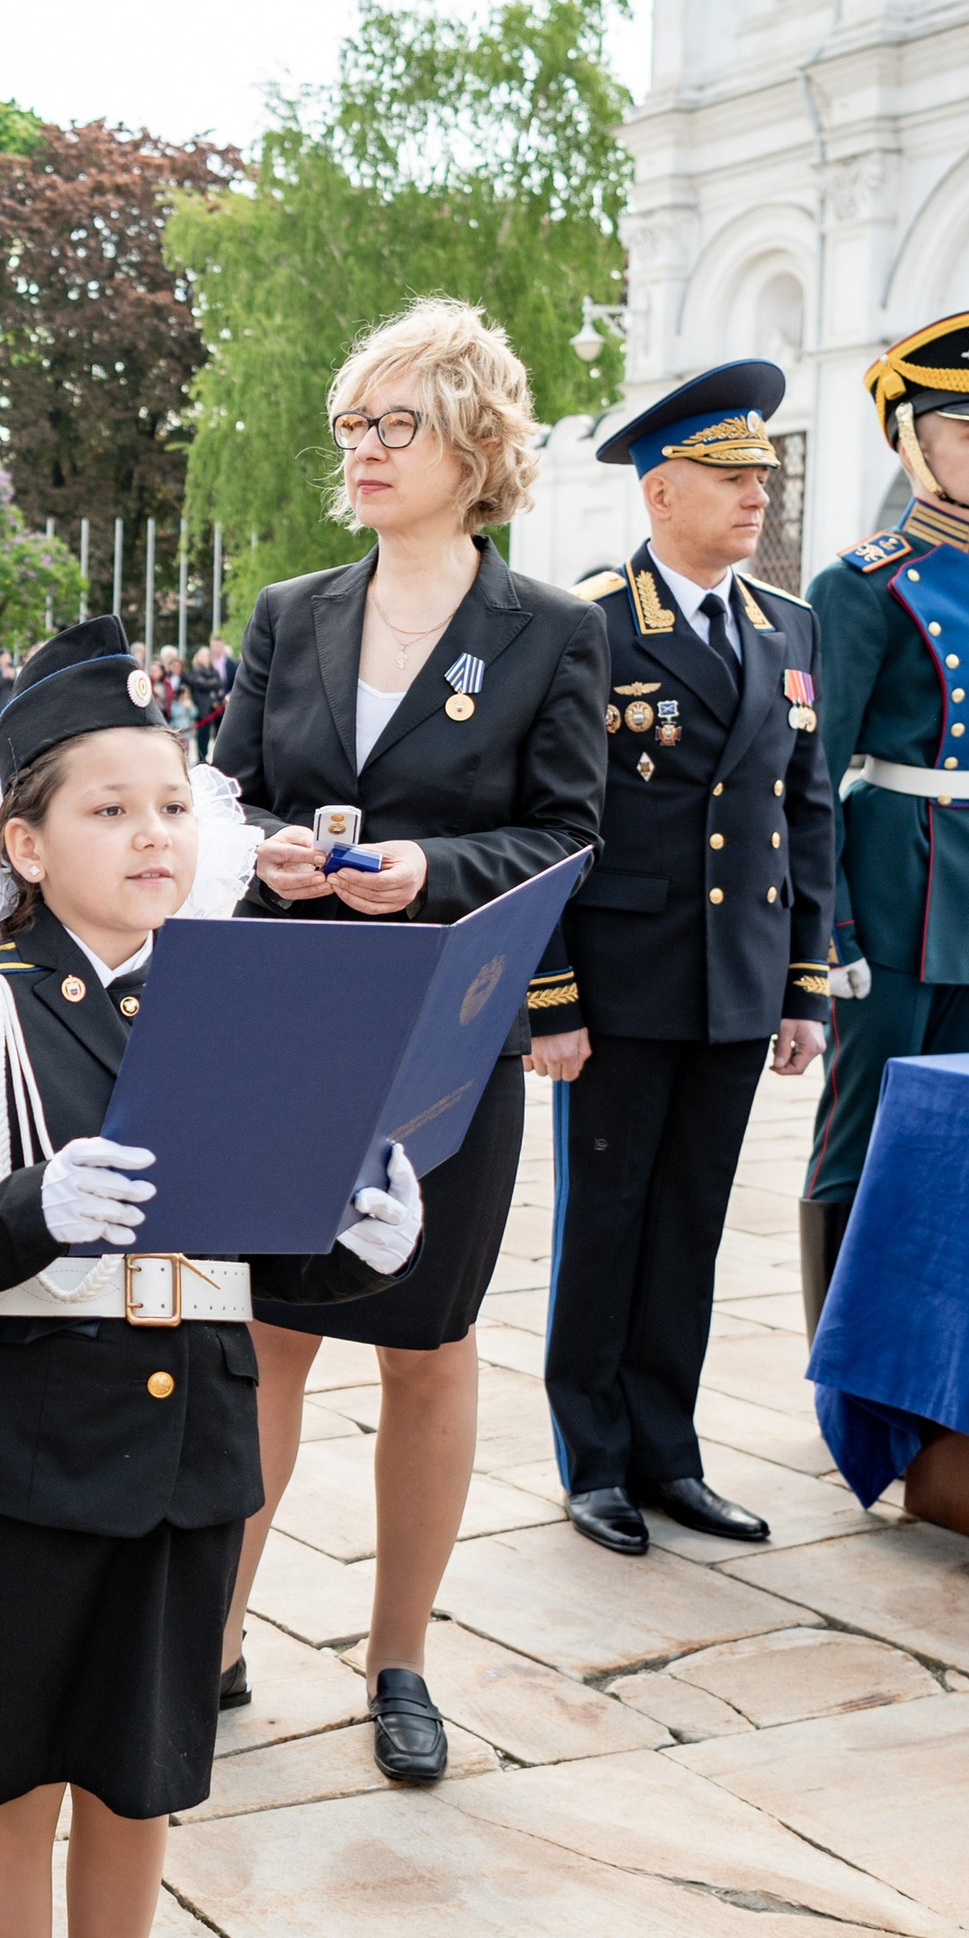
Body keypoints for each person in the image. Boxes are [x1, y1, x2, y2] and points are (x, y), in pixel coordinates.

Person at [0, 619, 418, 1938]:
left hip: (193, 1450)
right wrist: (35, 1206)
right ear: (27, 845)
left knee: (141, 1782)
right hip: (34, 1450)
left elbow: (270, 1237)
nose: (153, 839)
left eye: (175, 806)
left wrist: (357, 1240)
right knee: (14, 1782)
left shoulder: (244, 988)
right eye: (109, 811)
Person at [212, 300, 607, 1779]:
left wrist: (428, 872)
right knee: (270, 1337)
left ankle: (399, 1660)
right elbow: (228, 792)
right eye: (353, 426)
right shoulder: (292, 611)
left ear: (476, 444)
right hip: (296, 1014)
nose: (365, 452)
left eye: (398, 426)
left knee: (430, 1348)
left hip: (448, 1026)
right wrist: (271, 854)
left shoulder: (554, 629)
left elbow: (570, 835)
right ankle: (221, 1636)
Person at [531, 367, 835, 1551]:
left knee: (692, 1226)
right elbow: (551, 825)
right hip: (621, 982)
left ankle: (670, 1452)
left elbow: (800, 813)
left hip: (735, 979)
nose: (756, 494)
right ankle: (593, 1460)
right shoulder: (591, 624)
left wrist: (803, 983)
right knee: (603, 1223)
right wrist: (549, 998)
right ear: (661, 493)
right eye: (728, 477)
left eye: (762, 475)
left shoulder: (787, 625)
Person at [798, 310, 969, 1328]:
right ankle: (845, 1363)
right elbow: (813, 778)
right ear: (911, 442)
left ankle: (943, 1354)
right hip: (897, 889)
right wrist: (828, 933)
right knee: (860, 1133)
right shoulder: (860, 583)